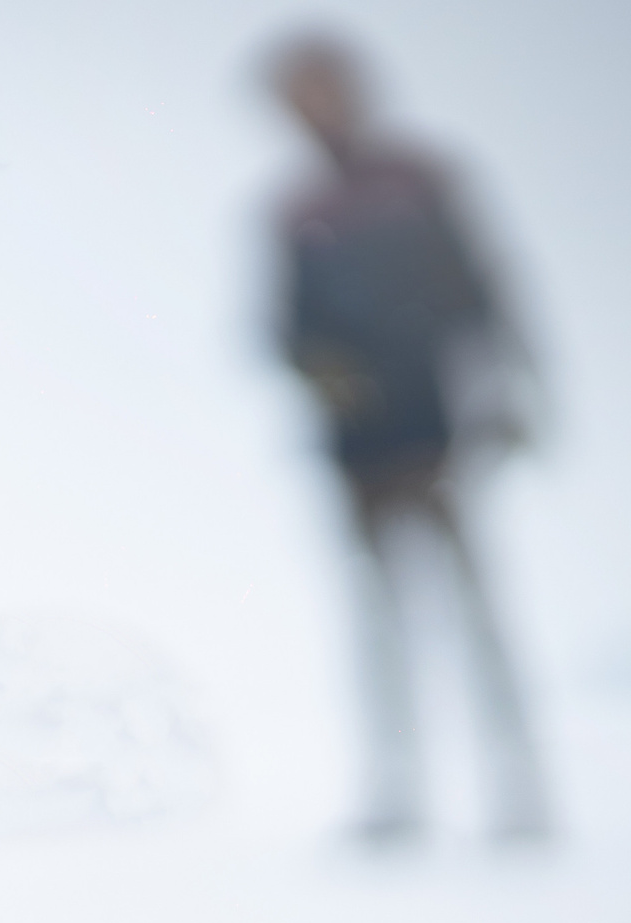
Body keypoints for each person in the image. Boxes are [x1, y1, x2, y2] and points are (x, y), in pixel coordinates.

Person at [268, 31, 551, 843]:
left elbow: (486, 290)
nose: (313, 107)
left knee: (477, 617)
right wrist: (325, 378)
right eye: (298, 95)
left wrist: (512, 392)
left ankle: (519, 788)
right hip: (359, 453)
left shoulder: (419, 183)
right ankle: (398, 795)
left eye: (322, 88)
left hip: (441, 432)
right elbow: (284, 331)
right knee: (379, 628)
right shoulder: (295, 213)